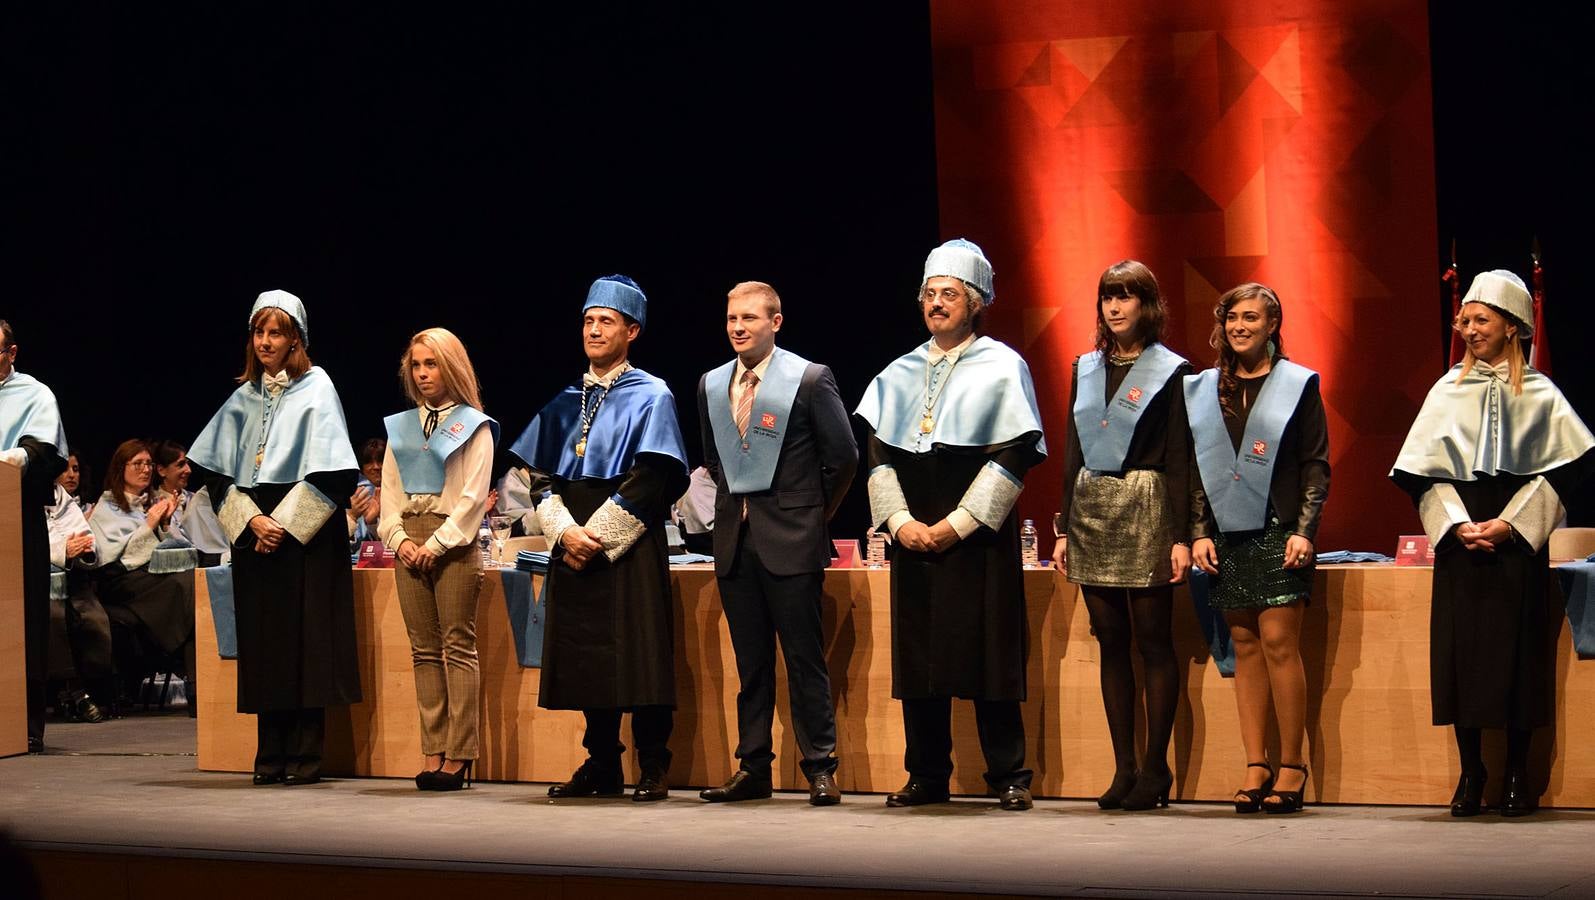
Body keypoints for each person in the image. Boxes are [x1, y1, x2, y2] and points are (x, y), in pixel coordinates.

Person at [1392, 270, 1595, 817]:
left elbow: (1565, 472)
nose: (1470, 329)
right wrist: (1456, 525)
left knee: (1520, 655)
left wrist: (1513, 524)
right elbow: (1421, 474)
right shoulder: (1446, 390)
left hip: (1516, 542)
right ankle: (1471, 772)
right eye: (1466, 320)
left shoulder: (1543, 394)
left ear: (1513, 326)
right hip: (1462, 541)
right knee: (1462, 655)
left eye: (1482, 320)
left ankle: (1513, 775)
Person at [855, 239, 1047, 811]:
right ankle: (927, 773)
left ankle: (1009, 774)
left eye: (949, 294)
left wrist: (958, 524)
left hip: (976, 538)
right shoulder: (898, 372)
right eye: (930, 295)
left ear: (976, 301)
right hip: (914, 533)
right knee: (921, 657)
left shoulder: (1004, 365)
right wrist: (899, 522)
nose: (937, 304)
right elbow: (878, 452)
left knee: (988, 651)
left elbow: (1013, 454)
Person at [510, 275, 688, 802]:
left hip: (627, 542)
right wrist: (565, 531)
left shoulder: (652, 395)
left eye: (605, 321)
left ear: (631, 330)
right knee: (589, 655)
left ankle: (653, 765)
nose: (593, 329)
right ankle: (602, 763)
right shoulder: (568, 398)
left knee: (641, 652)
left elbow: (653, 476)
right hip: (575, 541)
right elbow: (539, 476)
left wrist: (600, 536)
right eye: (588, 320)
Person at [188, 290, 362, 785]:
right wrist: (249, 522)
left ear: (295, 340)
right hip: (256, 538)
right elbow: (215, 475)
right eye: (260, 332)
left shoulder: (318, 388)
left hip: (304, 538)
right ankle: (270, 755)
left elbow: (334, 476)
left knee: (307, 642)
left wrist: (282, 524)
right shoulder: (242, 397)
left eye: (277, 333)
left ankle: (305, 756)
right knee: (266, 645)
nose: (266, 342)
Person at [695, 281, 857, 805]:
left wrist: (811, 514)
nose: (738, 328)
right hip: (735, 541)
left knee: (804, 659)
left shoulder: (808, 379)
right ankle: (753, 767)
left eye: (749, 318)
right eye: (731, 319)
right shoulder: (712, 384)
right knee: (752, 665)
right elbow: (715, 459)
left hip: (792, 538)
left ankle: (820, 767)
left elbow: (845, 458)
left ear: (776, 322)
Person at [1053, 261, 1192, 810]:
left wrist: (1182, 534)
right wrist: (1063, 527)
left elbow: (1183, 457)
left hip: (1147, 503)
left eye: (1126, 297)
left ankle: (1157, 769)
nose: (1114, 308)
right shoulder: (1085, 368)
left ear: (1147, 306)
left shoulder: (1173, 371)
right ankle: (1124, 768)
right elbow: (1072, 452)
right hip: (1091, 506)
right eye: (1108, 297)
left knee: (1153, 640)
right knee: (1110, 639)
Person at [1186, 282, 1329, 815]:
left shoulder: (1297, 384)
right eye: (1231, 318)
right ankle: (1256, 763)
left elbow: (1315, 464)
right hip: (1227, 530)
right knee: (1243, 644)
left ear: (1273, 325)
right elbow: (1199, 470)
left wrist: (1305, 530)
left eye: (1251, 317)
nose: (1239, 326)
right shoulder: (1206, 390)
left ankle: (1292, 764)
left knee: (1277, 642)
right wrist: (1199, 530)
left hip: (1280, 527)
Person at [378, 328, 497, 791]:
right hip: (409, 541)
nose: (424, 374)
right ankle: (433, 747)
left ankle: (461, 754)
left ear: (451, 367)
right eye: (417, 365)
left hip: (452, 543)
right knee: (423, 652)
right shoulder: (401, 427)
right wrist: (399, 538)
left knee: (457, 647)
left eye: (432, 364)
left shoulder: (474, 424)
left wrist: (437, 543)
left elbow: (472, 496)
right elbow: (389, 491)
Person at [0, 319, 71, 752]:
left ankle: (25, 723)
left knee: (21, 621)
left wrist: (8, 459)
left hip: (14, 520)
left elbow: (44, 453)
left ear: (11, 353)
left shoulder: (35, 394)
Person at [86, 439, 198, 708]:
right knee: (184, 586)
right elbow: (116, 557)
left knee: (194, 584)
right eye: (137, 464)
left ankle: (198, 687)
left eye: (148, 463)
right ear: (120, 468)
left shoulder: (151, 502)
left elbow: (174, 547)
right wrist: (149, 525)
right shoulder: (107, 507)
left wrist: (165, 522)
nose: (145, 469)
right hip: (121, 581)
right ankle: (195, 684)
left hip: (151, 576)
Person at [47, 450, 114, 723]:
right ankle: (72, 691)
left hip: (73, 578)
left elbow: (82, 532)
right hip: (37, 580)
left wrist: (82, 547)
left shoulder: (59, 495)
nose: (70, 475)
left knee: (94, 620)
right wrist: (62, 548)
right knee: (54, 618)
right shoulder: (20, 494)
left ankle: (92, 689)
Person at [349, 438, 385, 546]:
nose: (376, 467)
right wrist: (352, 517)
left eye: (380, 461)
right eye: (369, 462)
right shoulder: (354, 494)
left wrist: (372, 522)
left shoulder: (401, 492)